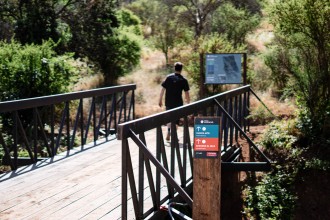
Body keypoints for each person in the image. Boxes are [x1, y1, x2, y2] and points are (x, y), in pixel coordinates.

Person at [159, 62, 190, 141]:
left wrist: (160, 100)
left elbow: (162, 89)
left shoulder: (168, 78)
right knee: (176, 120)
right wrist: (188, 103)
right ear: (181, 69)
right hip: (178, 103)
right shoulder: (183, 80)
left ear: (174, 68)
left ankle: (169, 131)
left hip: (168, 102)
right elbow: (187, 93)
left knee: (169, 118)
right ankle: (174, 134)